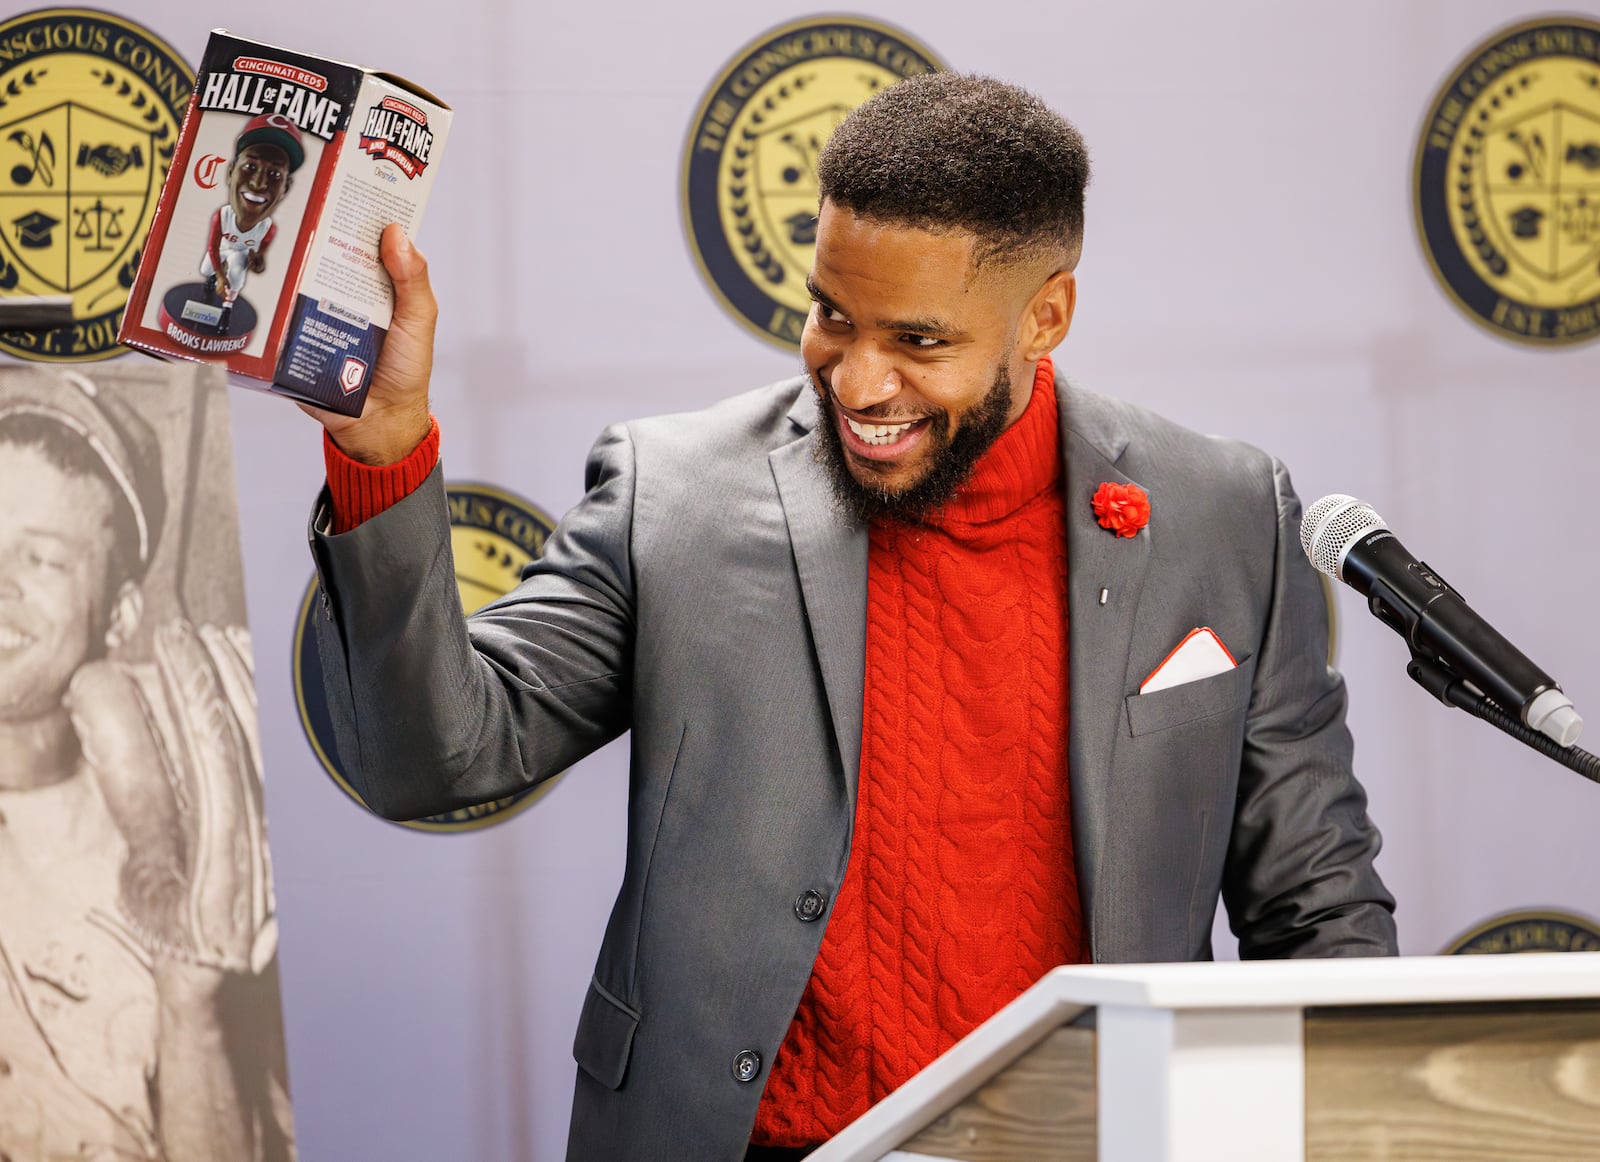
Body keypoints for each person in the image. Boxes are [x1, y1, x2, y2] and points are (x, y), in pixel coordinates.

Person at [303, 74, 1397, 1162]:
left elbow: (1317, 907)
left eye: (920, 343)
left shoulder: (1221, 514)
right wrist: (382, 451)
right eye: (833, 316)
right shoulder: (672, 496)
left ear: (1046, 314)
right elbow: (434, 761)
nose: (859, 381)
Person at [0, 368, 288, 1161]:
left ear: (120, 615)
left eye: (43, 560)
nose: (1, 586)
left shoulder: (188, 851)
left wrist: (191, 1003)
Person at [200, 113, 304, 333]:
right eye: (249, 167)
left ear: (285, 188)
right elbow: (212, 247)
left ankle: (226, 313)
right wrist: (219, 276)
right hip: (221, 249)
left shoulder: (268, 228)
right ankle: (209, 285)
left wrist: (259, 261)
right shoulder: (222, 216)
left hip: (240, 251)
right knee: (206, 267)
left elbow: (260, 253)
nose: (258, 184)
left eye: (274, 173)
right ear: (230, 172)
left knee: (237, 272)